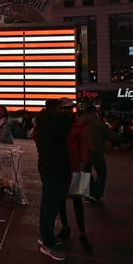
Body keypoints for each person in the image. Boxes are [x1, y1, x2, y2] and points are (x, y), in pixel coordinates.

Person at [34, 99, 73, 261]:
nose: (63, 112)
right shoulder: (53, 124)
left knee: (48, 203)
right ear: (54, 109)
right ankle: (48, 243)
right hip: (53, 167)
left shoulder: (43, 123)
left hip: (47, 166)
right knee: (51, 205)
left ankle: (46, 236)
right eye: (61, 109)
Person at [57, 98, 92, 254]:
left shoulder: (76, 125)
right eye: (65, 108)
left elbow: (82, 144)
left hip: (75, 166)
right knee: (61, 199)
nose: (68, 111)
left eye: (70, 108)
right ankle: (66, 226)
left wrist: (84, 161)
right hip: (63, 165)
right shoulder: (58, 124)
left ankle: (81, 229)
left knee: (77, 198)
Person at [80, 106, 118, 206]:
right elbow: (111, 136)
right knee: (101, 173)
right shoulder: (99, 125)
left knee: (86, 172)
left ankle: (88, 193)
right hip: (95, 150)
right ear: (93, 112)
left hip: (83, 151)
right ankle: (95, 194)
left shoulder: (79, 123)